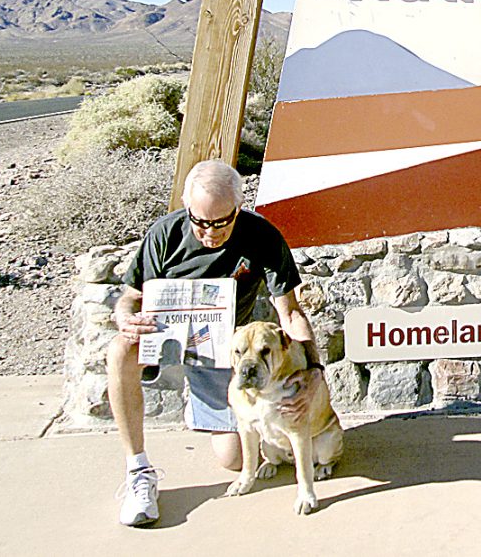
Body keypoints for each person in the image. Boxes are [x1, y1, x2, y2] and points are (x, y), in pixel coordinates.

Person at [107, 159, 323, 526]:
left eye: (222, 222)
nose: (210, 233)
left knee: (233, 459)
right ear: (187, 206)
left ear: (238, 208)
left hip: (223, 349)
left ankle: (211, 406)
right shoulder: (164, 234)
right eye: (201, 222)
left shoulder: (261, 235)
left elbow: (290, 314)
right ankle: (138, 471)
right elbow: (129, 298)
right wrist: (125, 317)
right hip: (167, 333)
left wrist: (314, 369)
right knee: (119, 349)